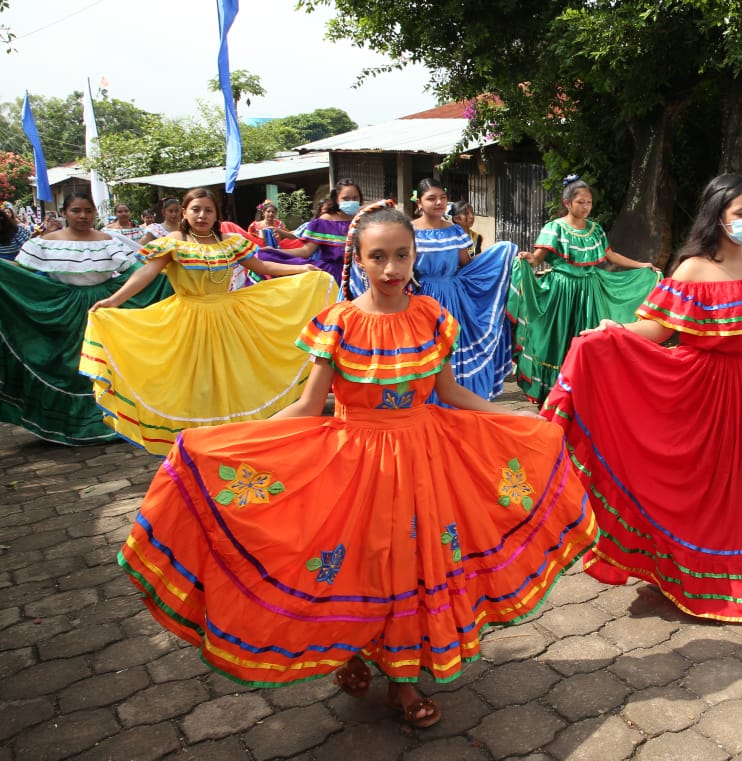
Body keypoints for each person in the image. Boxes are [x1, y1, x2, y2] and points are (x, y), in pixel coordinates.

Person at [116, 200, 597, 727]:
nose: (392, 269)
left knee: (413, 565)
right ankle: (349, 650)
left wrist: (522, 420)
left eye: (402, 255)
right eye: (378, 257)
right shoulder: (337, 322)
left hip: (426, 462)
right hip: (355, 467)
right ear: (359, 259)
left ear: (414, 256)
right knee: (356, 564)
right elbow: (308, 406)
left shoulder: (432, 316)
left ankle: (403, 682)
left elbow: (451, 392)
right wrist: (228, 440)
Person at [542, 174, 742, 621]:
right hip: (705, 392)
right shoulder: (692, 269)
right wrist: (614, 331)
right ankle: (691, 559)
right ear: (718, 216)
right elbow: (659, 329)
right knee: (703, 482)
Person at [81, 188, 338, 455]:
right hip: (188, 320)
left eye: (208, 210)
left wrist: (301, 269)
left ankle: (233, 438)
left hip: (229, 319)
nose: (202, 215)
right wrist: (114, 301)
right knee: (198, 382)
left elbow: (262, 267)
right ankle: (199, 440)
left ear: (217, 214)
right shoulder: (175, 241)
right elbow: (146, 273)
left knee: (233, 378)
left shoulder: (229, 241)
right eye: (195, 209)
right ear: (184, 212)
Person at [0, 191, 172, 444]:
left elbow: (135, 272)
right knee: (71, 366)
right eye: (76, 210)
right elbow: (23, 272)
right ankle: (74, 425)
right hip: (64, 309)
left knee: (108, 362)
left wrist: (168, 271)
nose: (83, 216)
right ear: (64, 213)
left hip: (105, 309)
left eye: (88, 211)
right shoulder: (44, 243)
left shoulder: (108, 241)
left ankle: (115, 420)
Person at [510, 175, 660, 404]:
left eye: (589, 202)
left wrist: (642, 266)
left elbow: (611, 256)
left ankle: (584, 390)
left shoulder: (595, 229)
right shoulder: (554, 228)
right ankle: (557, 392)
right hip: (562, 292)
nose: (586, 207)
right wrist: (528, 258)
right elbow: (537, 258)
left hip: (590, 291)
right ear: (567, 203)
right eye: (581, 202)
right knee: (559, 339)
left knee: (588, 337)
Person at [402, 178, 513, 400]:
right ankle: (425, 399)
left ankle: (455, 398)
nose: (438, 202)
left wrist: (501, 259)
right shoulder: (408, 231)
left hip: (452, 297)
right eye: (431, 198)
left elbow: (466, 264)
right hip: (421, 297)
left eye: (442, 198)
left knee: (452, 345)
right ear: (419, 202)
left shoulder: (455, 231)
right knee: (426, 348)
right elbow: (403, 264)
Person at [260, 179, 365, 297]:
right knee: (265, 255)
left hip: (363, 275)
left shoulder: (364, 219)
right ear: (336, 199)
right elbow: (306, 251)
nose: (351, 202)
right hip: (333, 276)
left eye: (355, 198)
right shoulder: (325, 221)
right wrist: (276, 251)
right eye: (346, 198)